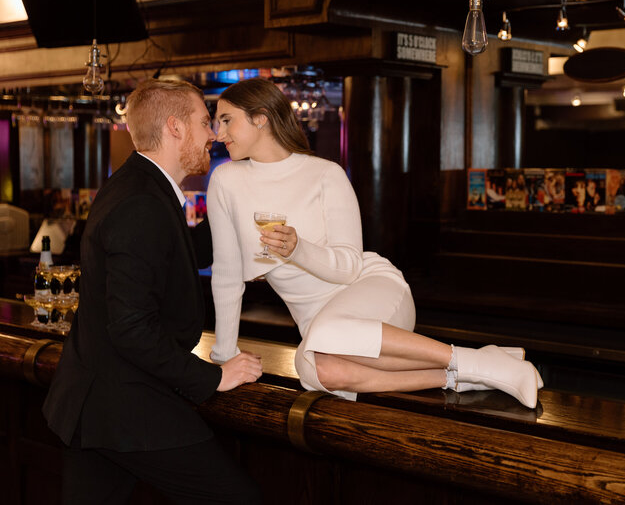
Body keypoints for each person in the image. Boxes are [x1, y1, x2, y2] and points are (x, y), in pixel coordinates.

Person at [208, 77, 543, 409]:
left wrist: (299, 249)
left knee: (327, 336)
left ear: (261, 117)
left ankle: (476, 361)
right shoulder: (225, 180)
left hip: (371, 290)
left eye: (226, 120)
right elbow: (225, 274)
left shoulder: (326, 174)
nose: (219, 134)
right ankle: (466, 373)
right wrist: (225, 357)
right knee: (316, 370)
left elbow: (349, 267)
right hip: (319, 327)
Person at [42, 79, 263, 504]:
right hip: (123, 405)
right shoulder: (142, 201)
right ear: (175, 128)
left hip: (99, 402)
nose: (213, 135)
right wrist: (214, 376)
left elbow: (173, 254)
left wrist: (245, 225)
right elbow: (131, 329)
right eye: (204, 122)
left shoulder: (140, 185)